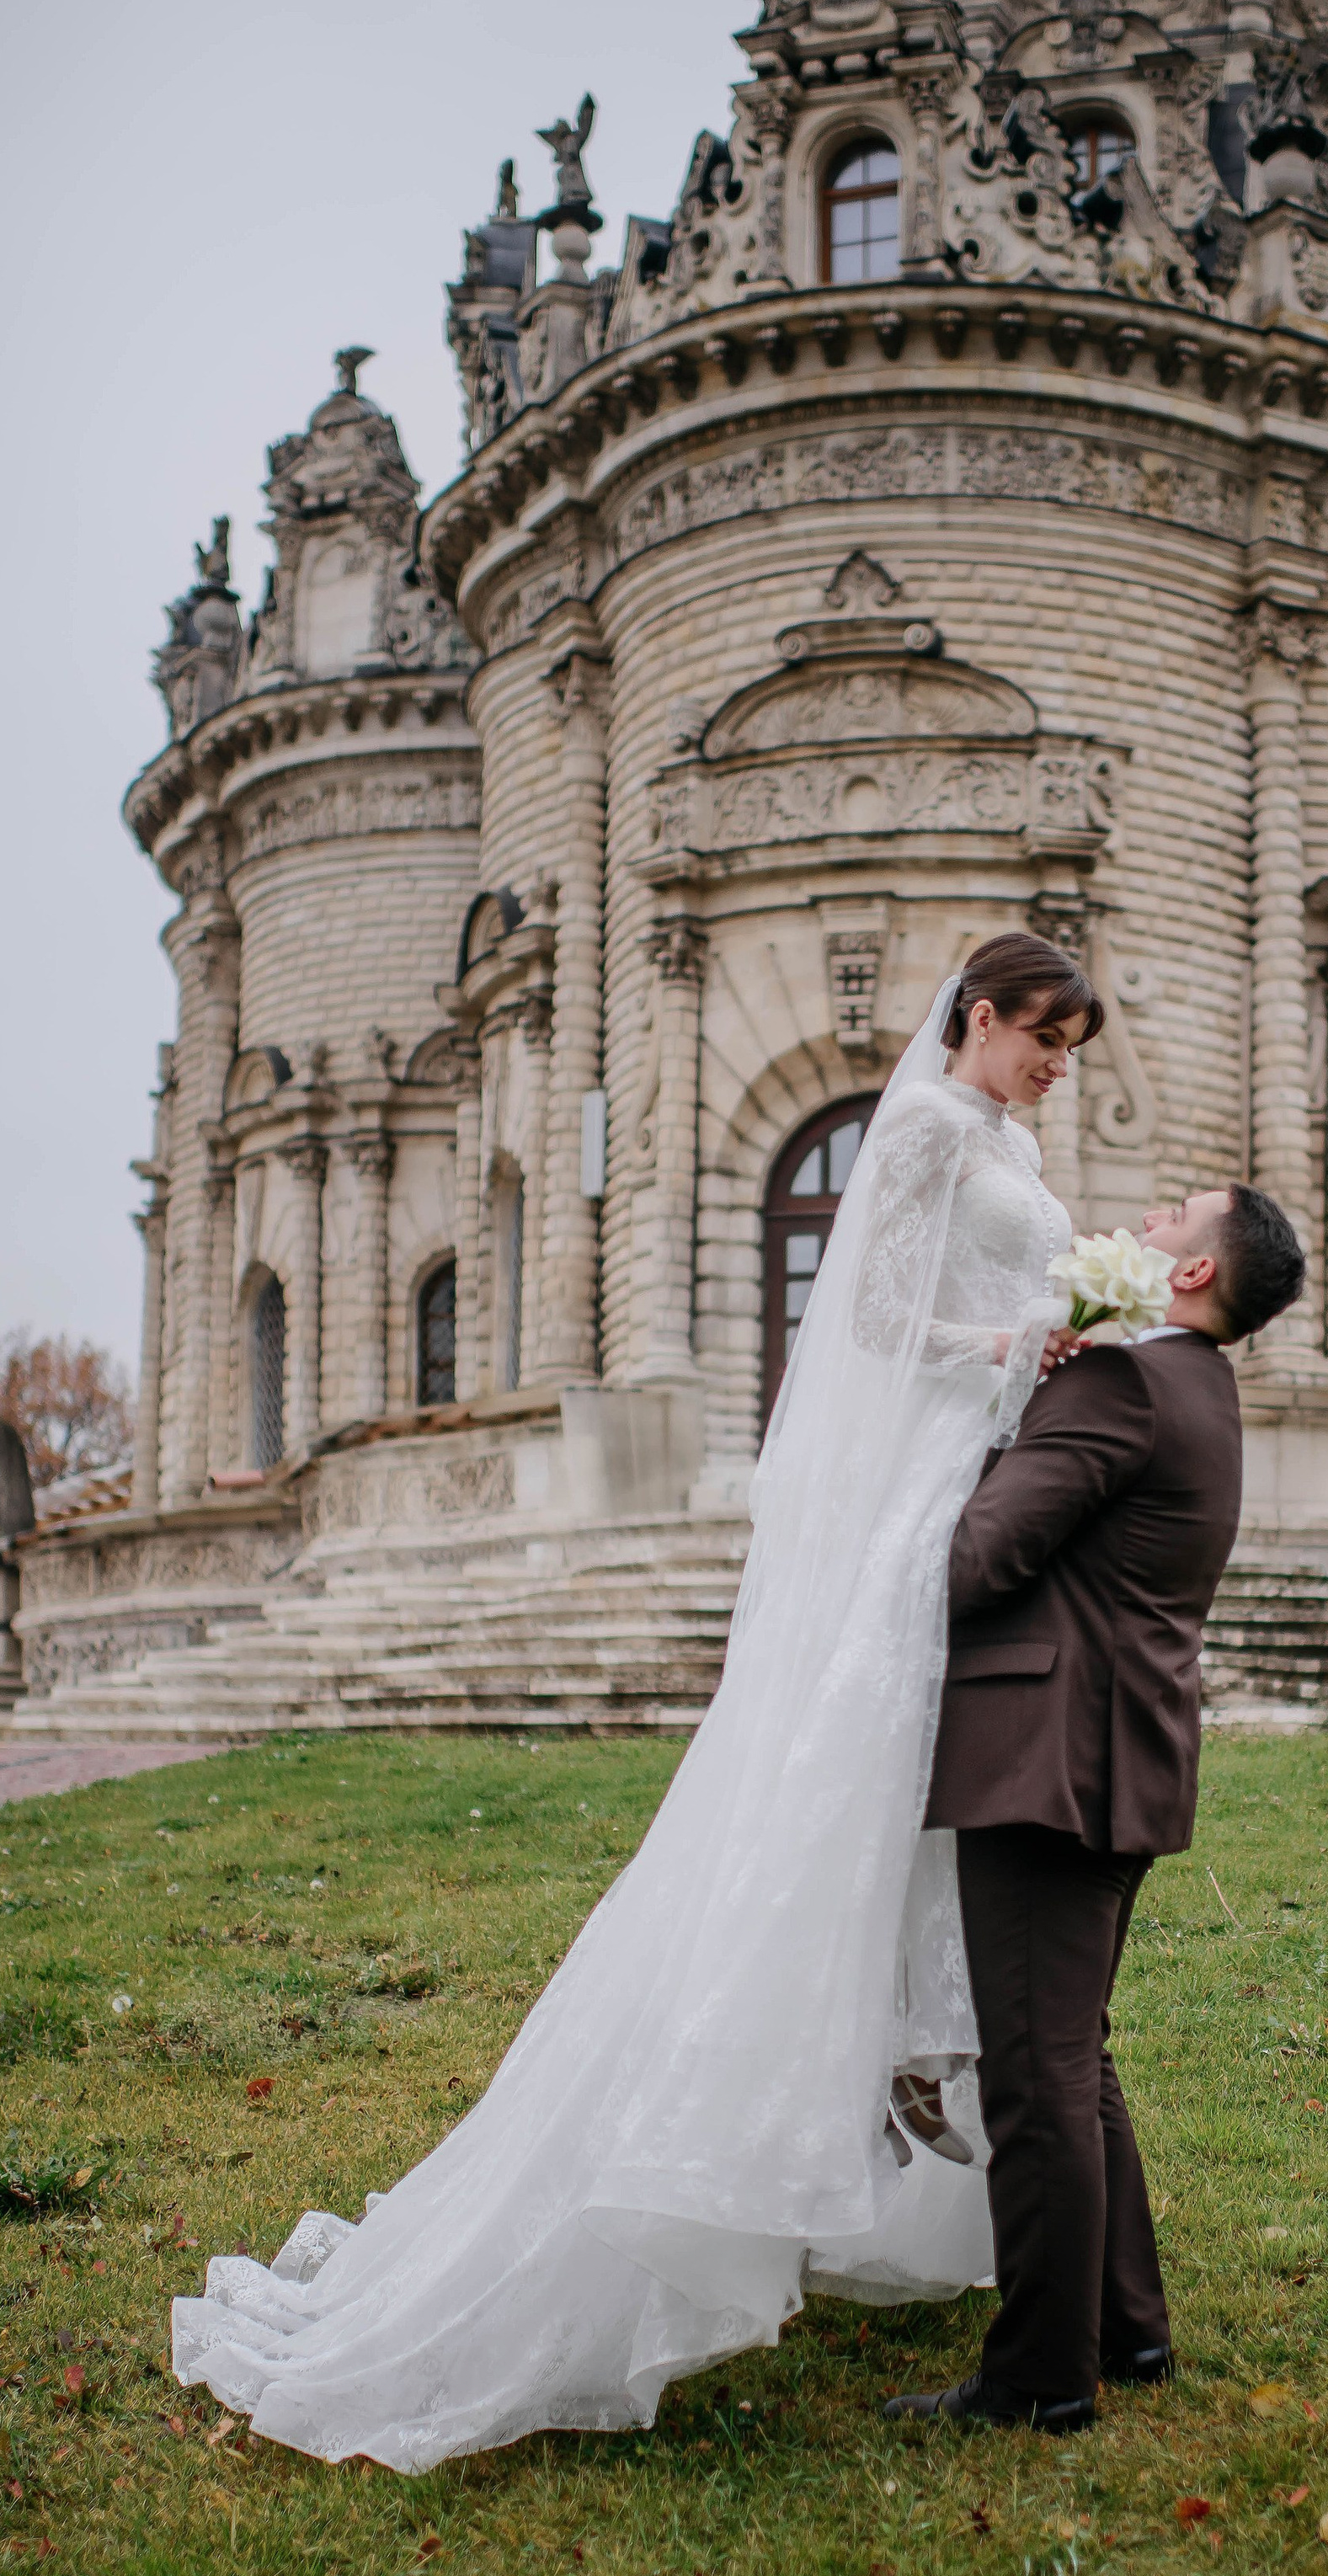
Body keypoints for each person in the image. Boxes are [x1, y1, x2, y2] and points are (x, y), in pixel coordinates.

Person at [172, 935, 1100, 2472]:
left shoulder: (1009, 1134)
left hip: (983, 1475)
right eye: (1046, 1034)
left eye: (1073, 1042)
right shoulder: (931, 1122)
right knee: (836, 1806)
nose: (1060, 1061)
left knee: (918, 1818)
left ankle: (910, 2113)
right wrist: (1011, 1346)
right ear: (980, 1016)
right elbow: (867, 1326)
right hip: (927, 1477)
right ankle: (747, 2140)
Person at [887, 1181, 1307, 2433]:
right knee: (1077, 2057)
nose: (1150, 1218)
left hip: (1045, 1764)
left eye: (1177, 1215)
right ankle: (1126, 2330)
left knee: (1034, 2077)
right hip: (1119, 1755)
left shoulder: (1123, 1385)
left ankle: (1038, 2376)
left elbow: (981, 1556)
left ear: (1190, 1276)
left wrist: (893, 1516)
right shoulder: (1198, 1389)